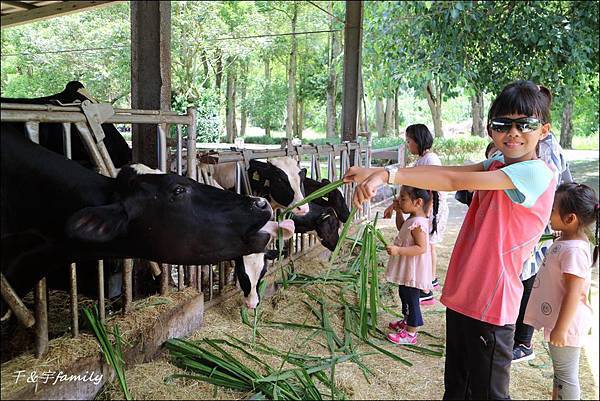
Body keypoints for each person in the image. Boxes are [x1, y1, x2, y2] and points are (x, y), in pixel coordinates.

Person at [343, 80, 557, 399]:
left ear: (543, 130)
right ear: (490, 129)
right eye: (502, 124)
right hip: (464, 293)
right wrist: (375, 170)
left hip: (491, 300)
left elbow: (454, 179)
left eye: (525, 124)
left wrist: (387, 176)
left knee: (489, 394)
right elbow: (446, 174)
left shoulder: (535, 172)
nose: (513, 132)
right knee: (457, 387)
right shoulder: (496, 164)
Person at [524, 183, 598, 400]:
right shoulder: (567, 240)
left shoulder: (573, 250)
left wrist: (561, 329)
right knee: (561, 375)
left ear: (570, 219)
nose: (548, 212)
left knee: (566, 377)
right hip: (561, 321)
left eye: (553, 209)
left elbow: (573, 293)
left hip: (568, 323)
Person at [513, 131, 573, 363]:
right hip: (529, 227)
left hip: (539, 228)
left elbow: (564, 187)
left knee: (529, 281)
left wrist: (557, 218)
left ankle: (523, 342)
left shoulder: (548, 149)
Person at [384, 124, 448, 305]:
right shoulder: (421, 160)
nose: (408, 145)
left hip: (431, 209)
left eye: (409, 141)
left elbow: (432, 187)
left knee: (429, 245)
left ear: (419, 140)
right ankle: (427, 282)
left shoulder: (430, 159)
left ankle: (428, 284)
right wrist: (395, 205)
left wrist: (425, 213)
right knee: (426, 243)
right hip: (422, 209)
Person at [385, 185, 439, 344]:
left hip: (413, 269)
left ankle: (411, 332)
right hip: (408, 267)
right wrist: (398, 211)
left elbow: (421, 248)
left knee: (411, 298)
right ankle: (407, 321)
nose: (399, 201)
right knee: (404, 294)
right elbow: (401, 228)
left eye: (403, 199)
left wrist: (398, 250)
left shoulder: (419, 224)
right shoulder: (412, 218)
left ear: (418, 202)